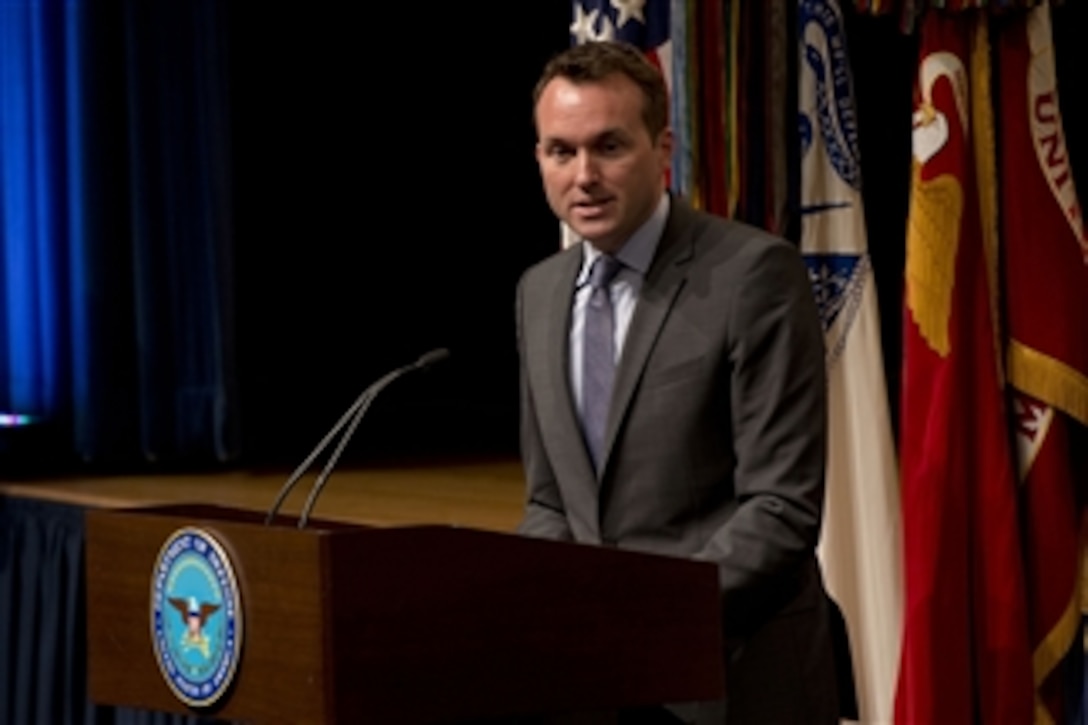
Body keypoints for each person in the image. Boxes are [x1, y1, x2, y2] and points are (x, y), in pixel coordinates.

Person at [515, 40, 840, 724]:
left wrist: (641, 621)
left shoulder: (753, 275)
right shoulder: (538, 292)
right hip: (599, 682)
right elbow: (551, 499)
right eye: (560, 151)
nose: (584, 175)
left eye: (609, 146)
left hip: (732, 675)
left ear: (663, 151)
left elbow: (780, 508)